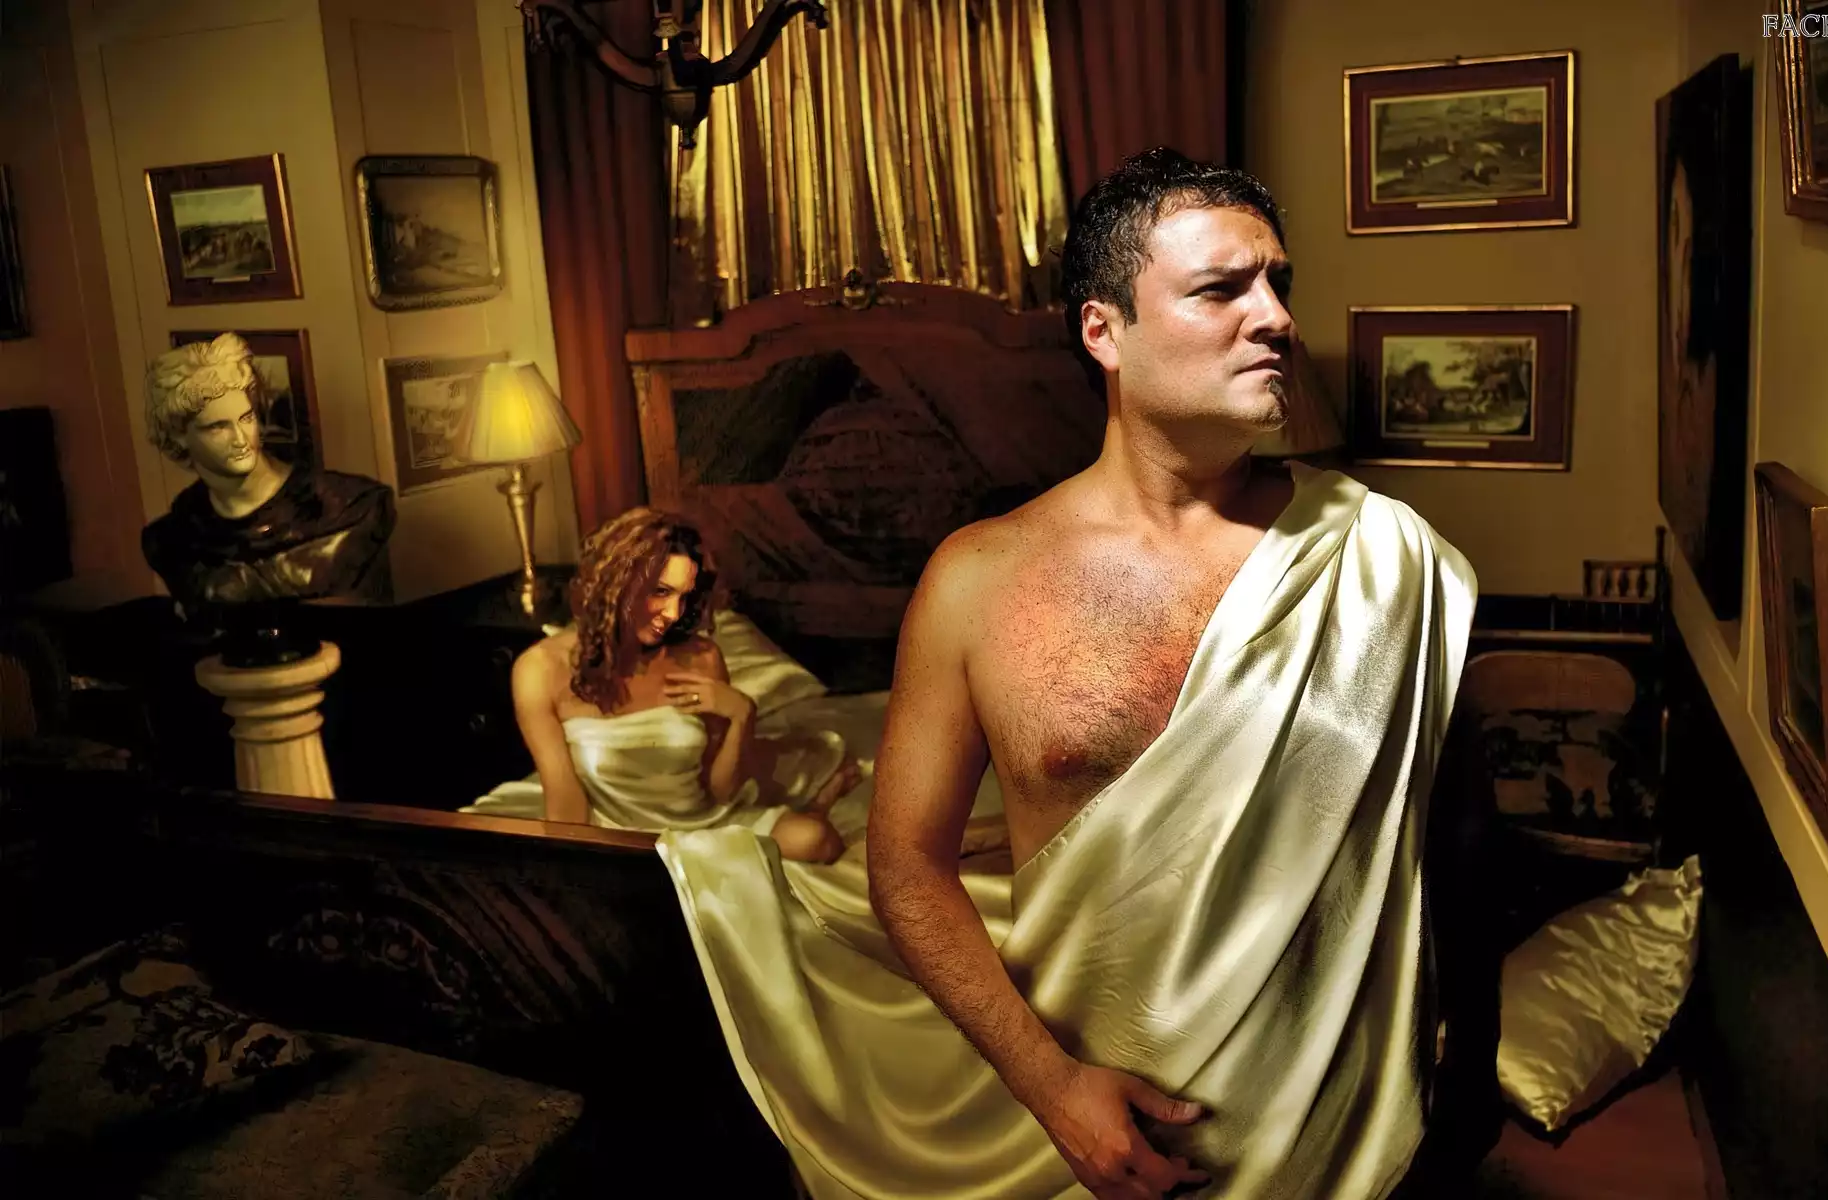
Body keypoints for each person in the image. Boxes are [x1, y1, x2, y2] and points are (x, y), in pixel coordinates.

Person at [649, 148, 1476, 1200]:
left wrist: (1473, 1067)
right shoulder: (978, 579)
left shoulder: (1384, 558)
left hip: (1353, 1136)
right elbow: (904, 865)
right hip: (1093, 1137)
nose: (1274, 318)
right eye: (1221, 289)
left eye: (1279, 284)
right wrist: (1050, 1086)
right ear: (1104, 331)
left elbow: (1460, 835)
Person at [470, 506, 853, 863]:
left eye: (684, 597)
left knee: (817, 839)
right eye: (661, 592)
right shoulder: (540, 670)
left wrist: (742, 715)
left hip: (702, 826)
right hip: (622, 839)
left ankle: (816, 806)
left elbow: (722, 790)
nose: (673, 613)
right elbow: (566, 809)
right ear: (618, 582)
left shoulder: (702, 657)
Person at [140, 333, 395, 619]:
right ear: (179, 435)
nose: (240, 439)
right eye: (217, 427)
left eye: (246, 418)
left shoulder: (351, 508)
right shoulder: (170, 540)